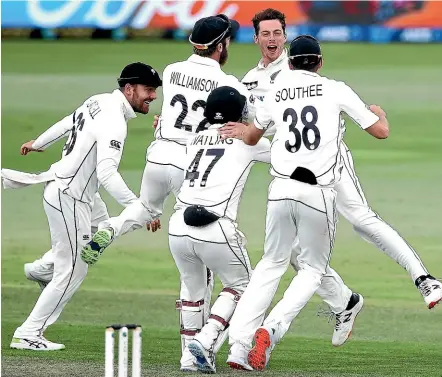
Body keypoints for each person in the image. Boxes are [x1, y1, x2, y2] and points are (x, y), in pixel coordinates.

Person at [81, 14, 255, 371]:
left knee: (146, 208)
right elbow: (248, 127)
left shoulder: (173, 69)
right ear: (221, 46)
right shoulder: (227, 81)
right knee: (199, 259)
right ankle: (197, 348)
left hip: (158, 153)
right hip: (191, 159)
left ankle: (111, 228)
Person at [241, 7, 441, 314]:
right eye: (266, 33)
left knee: (361, 220)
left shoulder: (295, 63)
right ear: (256, 38)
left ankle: (423, 278)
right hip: (285, 164)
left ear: (286, 37)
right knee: (290, 249)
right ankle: (342, 302)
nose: (272, 39)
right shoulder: (251, 81)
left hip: (326, 160)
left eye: (278, 33)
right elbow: (246, 123)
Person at [220, 35, 390, 370]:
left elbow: (253, 136)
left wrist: (243, 130)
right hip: (317, 191)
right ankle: (271, 328)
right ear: (320, 62)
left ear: (291, 61)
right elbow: (380, 131)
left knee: (270, 264)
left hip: (280, 189)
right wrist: (379, 113)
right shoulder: (334, 88)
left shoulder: (275, 91)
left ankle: (238, 346)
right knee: (311, 269)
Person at [8, 62, 161, 350]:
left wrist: (39, 141)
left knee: (103, 228)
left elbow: (69, 120)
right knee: (75, 269)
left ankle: (43, 268)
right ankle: (28, 333)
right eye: (148, 90)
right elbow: (107, 174)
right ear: (129, 89)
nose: (152, 96)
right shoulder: (115, 121)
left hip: (81, 195)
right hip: (69, 196)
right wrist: (139, 208)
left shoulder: (98, 100)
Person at [169, 86, 270, 373]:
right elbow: (286, 157)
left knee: (193, 291)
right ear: (239, 113)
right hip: (214, 225)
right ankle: (207, 338)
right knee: (244, 288)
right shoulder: (246, 141)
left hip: (178, 226)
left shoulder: (194, 138)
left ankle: (188, 360)